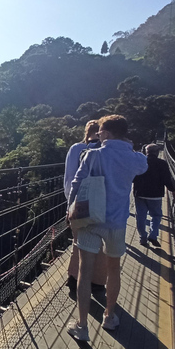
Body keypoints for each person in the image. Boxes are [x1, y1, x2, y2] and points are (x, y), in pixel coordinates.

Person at [66, 115, 148, 342]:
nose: (98, 135)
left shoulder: (93, 155)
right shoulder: (133, 159)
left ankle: (82, 326)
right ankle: (109, 316)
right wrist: (130, 146)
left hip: (91, 219)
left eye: (101, 132)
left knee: (85, 272)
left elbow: (76, 183)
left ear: (109, 133)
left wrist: (70, 211)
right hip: (117, 222)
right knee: (114, 269)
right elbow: (144, 162)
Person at [64, 121, 108, 294]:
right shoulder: (107, 152)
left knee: (79, 243)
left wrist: (70, 204)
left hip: (79, 203)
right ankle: (97, 283)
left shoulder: (76, 149)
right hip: (104, 205)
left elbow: (70, 178)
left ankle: (74, 280)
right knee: (102, 245)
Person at [133, 143, 175, 247]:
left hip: (140, 193)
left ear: (146, 152)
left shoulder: (140, 162)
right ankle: (153, 235)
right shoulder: (162, 163)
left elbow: (133, 177)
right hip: (155, 195)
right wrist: (172, 189)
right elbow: (166, 179)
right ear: (157, 153)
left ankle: (143, 238)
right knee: (156, 215)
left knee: (141, 217)